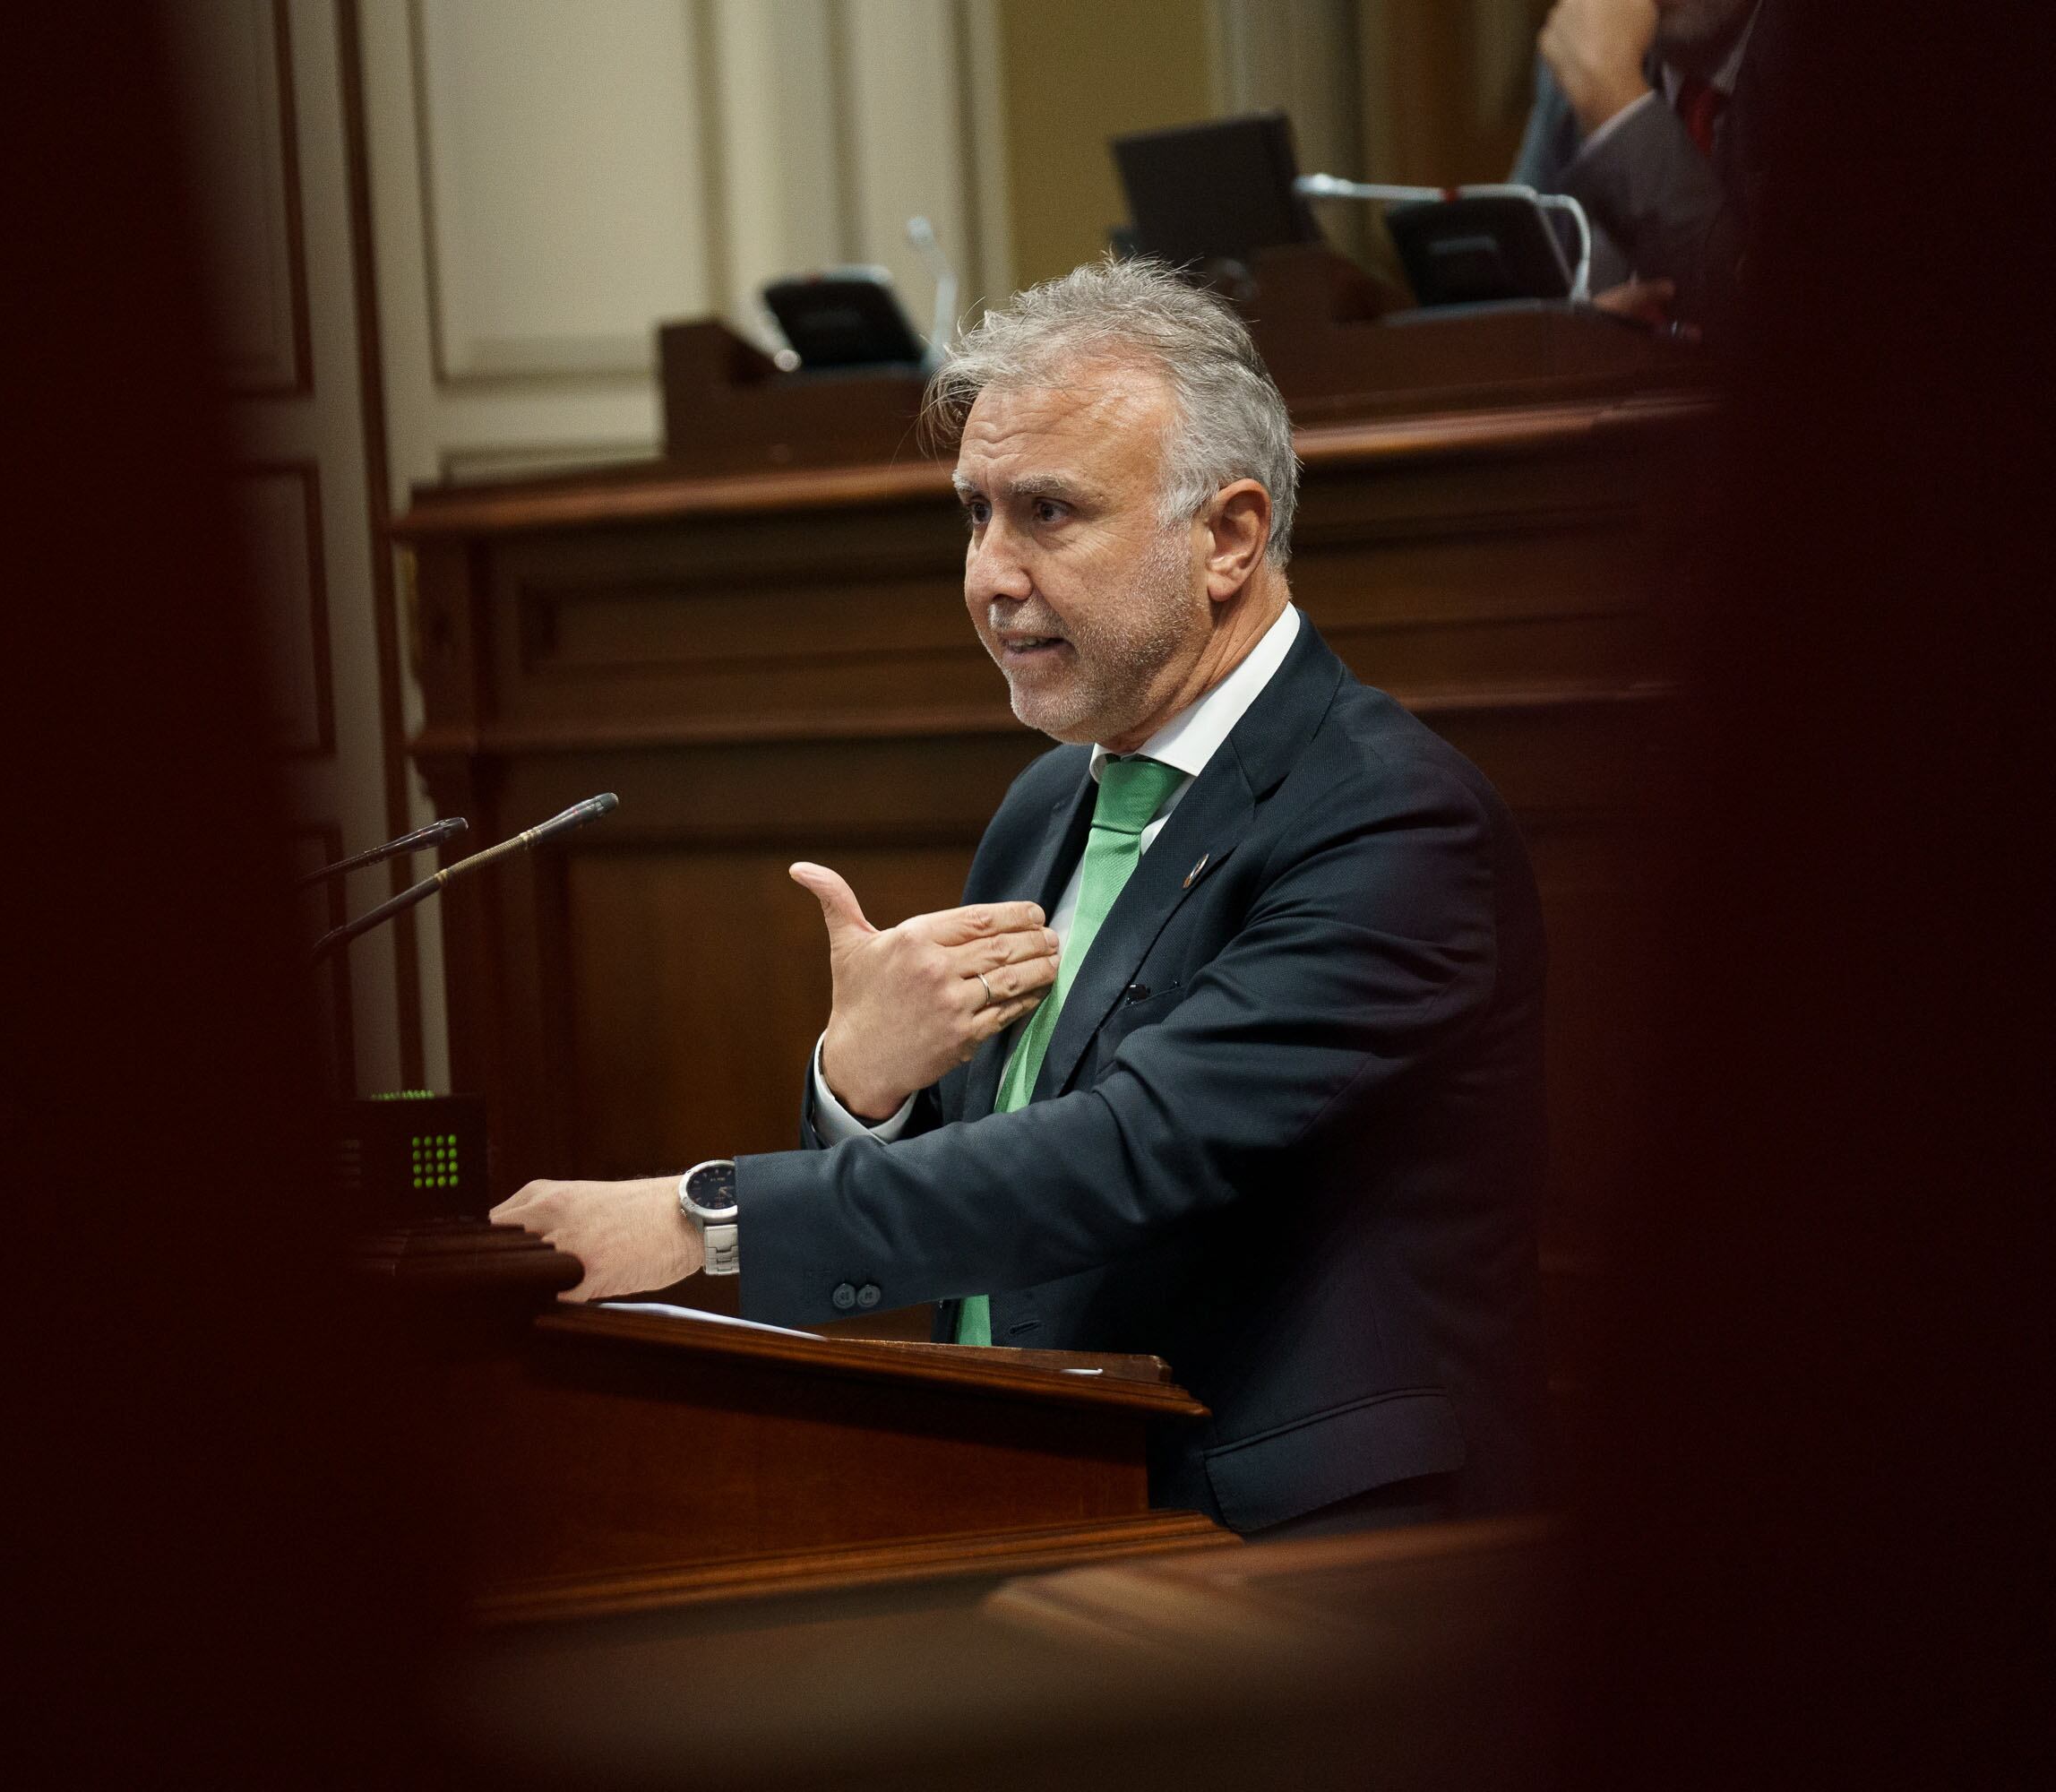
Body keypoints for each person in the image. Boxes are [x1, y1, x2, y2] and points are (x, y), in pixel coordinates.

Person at [490, 259, 1547, 1538]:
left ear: (1228, 536)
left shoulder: (1391, 818)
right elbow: (961, 1189)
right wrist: (862, 1091)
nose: (991, 576)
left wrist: (698, 1217)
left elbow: (1123, 1157)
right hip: (1033, 1494)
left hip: (1291, 1551)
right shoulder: (1049, 804)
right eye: (975, 513)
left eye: (1048, 514)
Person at [1513, 0, 1776, 329]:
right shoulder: (1583, 53)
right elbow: (1511, 322)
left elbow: (1781, 335)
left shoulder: (1836, 61)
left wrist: (1619, 109)